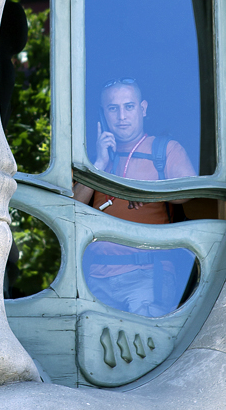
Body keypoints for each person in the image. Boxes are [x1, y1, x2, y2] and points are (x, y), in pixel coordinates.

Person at [73, 78, 196, 316]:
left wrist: (150, 193)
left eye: (129, 106)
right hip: (96, 276)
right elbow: (71, 210)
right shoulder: (90, 157)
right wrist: (98, 165)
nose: (121, 116)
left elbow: (188, 193)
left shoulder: (165, 149)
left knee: (143, 352)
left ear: (143, 109)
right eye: (113, 108)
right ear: (103, 114)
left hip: (147, 275)